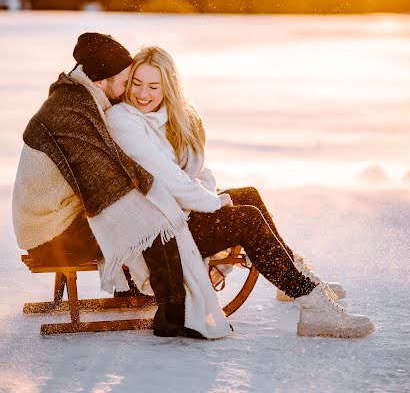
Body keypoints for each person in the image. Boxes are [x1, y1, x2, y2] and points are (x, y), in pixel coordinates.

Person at [105, 45, 375, 339]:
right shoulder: (124, 121)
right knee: (246, 218)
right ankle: (311, 304)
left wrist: (208, 194)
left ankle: (294, 275)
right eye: (136, 83)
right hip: (158, 233)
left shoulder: (165, 119)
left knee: (247, 194)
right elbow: (170, 179)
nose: (142, 93)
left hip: (175, 213)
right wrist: (212, 201)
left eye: (153, 86)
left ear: (168, 86)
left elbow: (197, 173)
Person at [12, 32, 214, 338]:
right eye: (124, 79)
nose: (128, 89)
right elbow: (105, 178)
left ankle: (149, 295)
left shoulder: (78, 99)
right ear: (103, 79)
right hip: (50, 235)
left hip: (50, 220)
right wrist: (161, 191)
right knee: (152, 220)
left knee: (145, 208)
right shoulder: (72, 112)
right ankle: (174, 312)